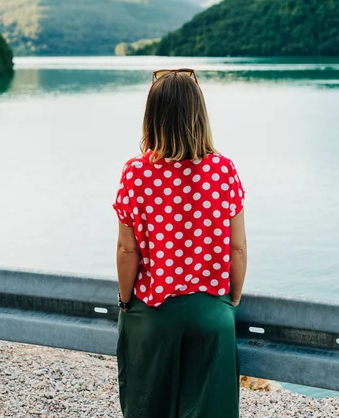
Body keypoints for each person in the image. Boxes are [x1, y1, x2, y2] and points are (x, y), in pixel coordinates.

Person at [112, 68, 247, 418]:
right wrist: (227, 303)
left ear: (152, 115)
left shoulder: (135, 172)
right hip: (211, 313)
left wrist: (126, 303)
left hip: (153, 314)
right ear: (199, 114)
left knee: (147, 407)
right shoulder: (224, 170)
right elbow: (237, 249)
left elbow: (128, 251)